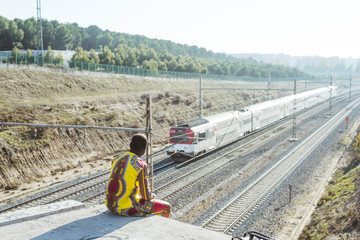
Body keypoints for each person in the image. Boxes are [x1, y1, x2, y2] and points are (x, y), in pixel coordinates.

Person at [105, 134, 171, 217]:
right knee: (166, 207)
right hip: (125, 209)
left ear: (130, 145)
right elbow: (146, 196)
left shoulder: (116, 159)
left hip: (110, 206)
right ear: (144, 149)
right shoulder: (141, 165)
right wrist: (152, 195)